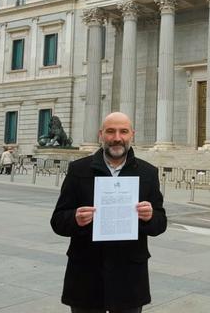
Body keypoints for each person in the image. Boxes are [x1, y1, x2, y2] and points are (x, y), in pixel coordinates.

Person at [51, 112, 167, 313]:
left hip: (129, 275)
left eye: (123, 131)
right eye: (110, 131)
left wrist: (150, 217)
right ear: (101, 134)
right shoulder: (79, 169)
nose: (117, 138)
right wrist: (75, 219)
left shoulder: (148, 173)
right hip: (86, 273)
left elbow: (160, 223)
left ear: (132, 134)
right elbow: (58, 221)